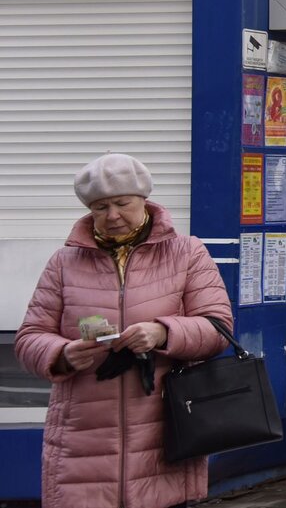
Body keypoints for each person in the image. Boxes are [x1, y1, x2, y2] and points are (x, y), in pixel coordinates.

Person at [15, 153, 233, 508]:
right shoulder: (64, 262)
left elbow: (218, 327)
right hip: (82, 441)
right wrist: (62, 354)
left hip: (165, 434)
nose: (112, 215)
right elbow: (29, 338)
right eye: (100, 207)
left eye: (122, 203)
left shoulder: (187, 253)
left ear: (144, 201)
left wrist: (163, 333)